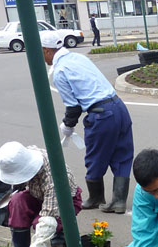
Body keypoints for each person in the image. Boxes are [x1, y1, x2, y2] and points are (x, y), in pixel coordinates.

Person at [41, 31, 134, 213]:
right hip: (119, 107)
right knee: (122, 155)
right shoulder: (77, 57)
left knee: (95, 157)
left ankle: (96, 197)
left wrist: (67, 126)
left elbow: (73, 107)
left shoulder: (60, 71)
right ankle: (119, 201)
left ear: (47, 50)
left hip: (101, 114)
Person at [0, 141, 82, 247]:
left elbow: (48, 219)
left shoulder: (54, 177)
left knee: (40, 223)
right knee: (17, 201)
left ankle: (61, 232)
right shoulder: (23, 156)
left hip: (65, 202)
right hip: (37, 195)